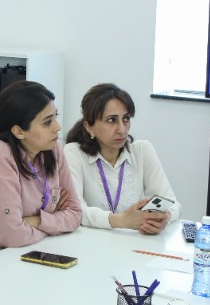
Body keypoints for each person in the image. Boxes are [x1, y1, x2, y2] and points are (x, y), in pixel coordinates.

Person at [0, 80, 82, 254]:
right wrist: (54, 223)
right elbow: (13, 237)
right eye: (47, 122)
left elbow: (75, 214)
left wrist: (36, 221)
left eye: (55, 117)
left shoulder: (53, 147)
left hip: (42, 250)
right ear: (19, 131)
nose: (57, 127)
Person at [63, 82, 180, 233]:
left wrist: (163, 218)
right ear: (89, 126)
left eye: (126, 119)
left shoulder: (142, 150)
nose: (122, 130)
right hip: (91, 242)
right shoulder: (74, 152)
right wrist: (121, 221)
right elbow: (75, 209)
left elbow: (173, 203)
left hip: (133, 242)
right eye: (111, 120)